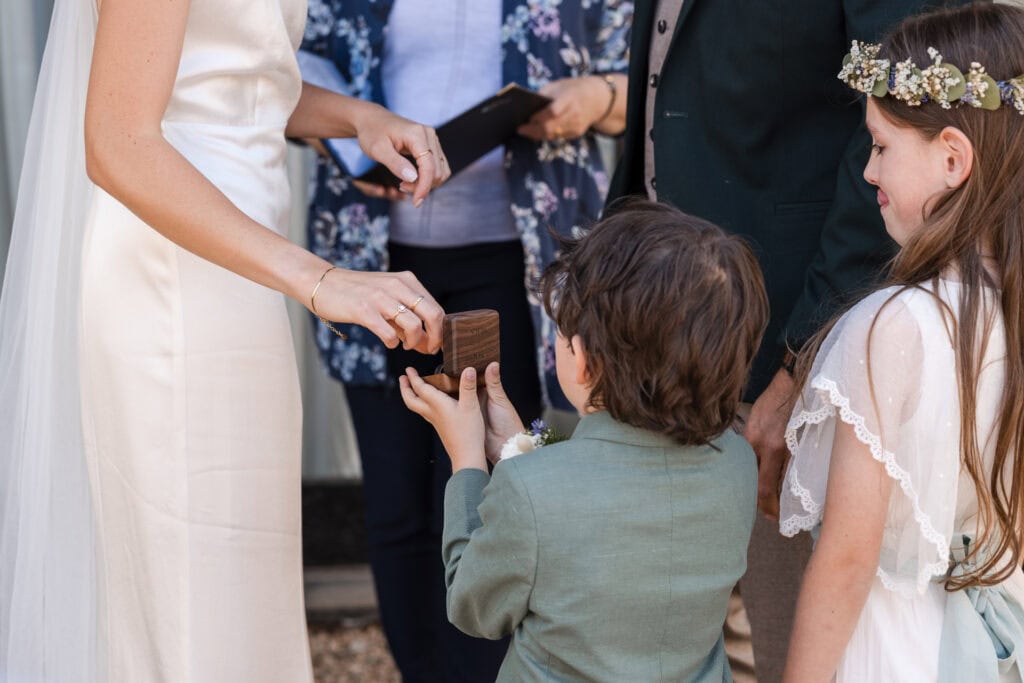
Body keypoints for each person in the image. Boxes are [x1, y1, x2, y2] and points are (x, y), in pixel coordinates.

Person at [0, 0, 452, 679]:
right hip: (171, 278)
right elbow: (117, 140)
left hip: (244, 269)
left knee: (240, 574)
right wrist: (322, 279)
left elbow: (232, 74)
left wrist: (360, 117)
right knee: (195, 597)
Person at [604, 1, 971, 679]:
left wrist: (799, 358)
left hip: (783, 323)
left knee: (788, 626)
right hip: (650, 329)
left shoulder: (893, 335)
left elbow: (899, 116)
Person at [299, 2, 630, 679]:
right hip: (373, 254)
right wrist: (344, 135)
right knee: (395, 500)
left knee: (507, 485)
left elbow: (643, 82)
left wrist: (592, 98)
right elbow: (291, 63)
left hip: (515, 259)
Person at [399, 201, 771, 681]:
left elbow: (475, 606)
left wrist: (468, 461)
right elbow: (607, 501)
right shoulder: (736, 463)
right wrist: (518, 444)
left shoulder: (532, 491)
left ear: (583, 362)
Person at [780, 3, 1024, 680]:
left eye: (882, 146)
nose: (868, 173)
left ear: (952, 157)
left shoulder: (896, 326)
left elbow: (848, 557)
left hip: (899, 649)